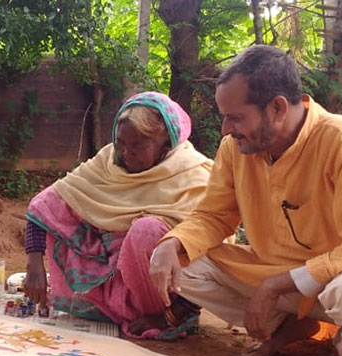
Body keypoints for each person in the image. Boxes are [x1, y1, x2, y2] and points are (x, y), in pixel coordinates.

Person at [149, 45, 342, 356]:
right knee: (183, 265)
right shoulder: (235, 149)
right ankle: (286, 327)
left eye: (235, 118)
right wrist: (172, 243)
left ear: (277, 108)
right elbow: (214, 216)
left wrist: (277, 284)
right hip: (275, 276)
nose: (225, 129)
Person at [23, 91, 212, 339]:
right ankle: (117, 310)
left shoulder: (194, 174)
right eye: (120, 142)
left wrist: (174, 313)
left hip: (165, 292)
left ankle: (167, 317)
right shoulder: (108, 161)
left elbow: (211, 247)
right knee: (61, 213)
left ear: (166, 144)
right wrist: (34, 265)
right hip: (114, 280)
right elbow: (44, 205)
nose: (125, 152)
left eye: (137, 146)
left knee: (145, 231)